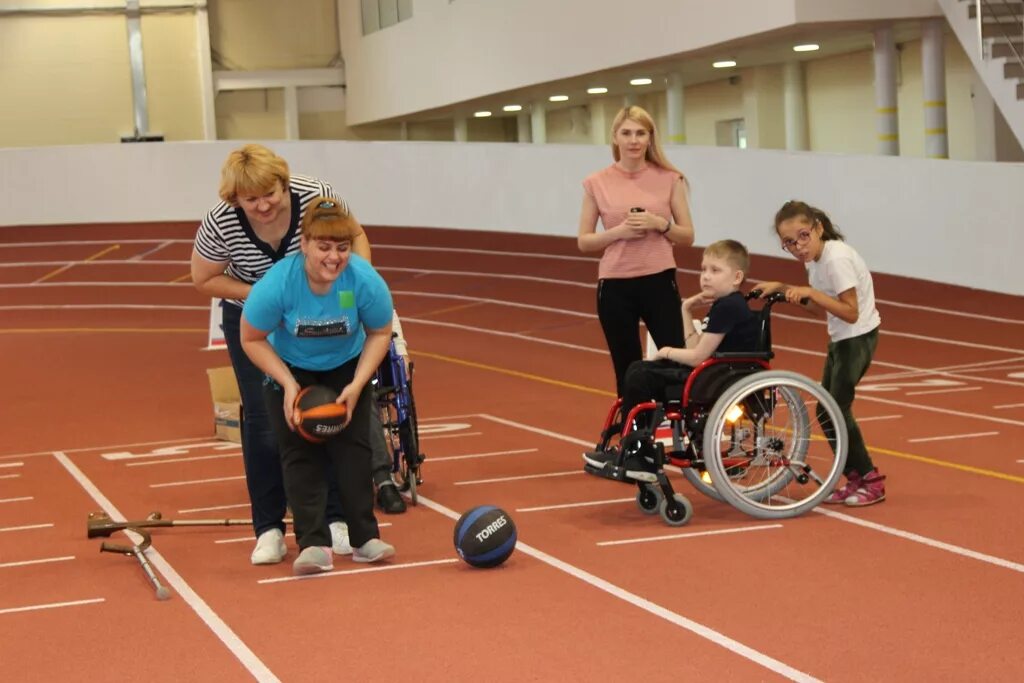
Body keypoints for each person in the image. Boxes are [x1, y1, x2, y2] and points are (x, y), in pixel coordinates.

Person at [190, 145, 403, 567]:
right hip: (259, 314)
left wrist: (352, 283)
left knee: (336, 418)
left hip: (325, 305)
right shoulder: (220, 222)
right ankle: (269, 528)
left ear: (285, 185)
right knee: (268, 424)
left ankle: (340, 523)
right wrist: (274, 300)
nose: (264, 205)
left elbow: (352, 235)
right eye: (251, 200)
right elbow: (203, 278)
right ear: (235, 201)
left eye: (271, 193)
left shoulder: (316, 195)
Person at [240, 198, 396, 574]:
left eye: (342, 248)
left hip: (345, 368)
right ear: (305, 244)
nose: (334, 257)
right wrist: (288, 385)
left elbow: (380, 331)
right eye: (324, 247)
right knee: (299, 454)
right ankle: (313, 545)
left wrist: (359, 383)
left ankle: (363, 538)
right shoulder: (278, 283)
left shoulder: (363, 282)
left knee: (354, 450)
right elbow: (251, 338)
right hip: (291, 369)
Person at [584, 240, 759, 480]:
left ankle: (639, 452)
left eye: (715, 271)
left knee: (641, 374)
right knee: (639, 370)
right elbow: (694, 346)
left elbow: (697, 357)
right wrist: (686, 309)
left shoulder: (728, 307)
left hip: (716, 380)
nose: (706, 277)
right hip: (715, 374)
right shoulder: (725, 305)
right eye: (704, 269)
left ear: (737, 276)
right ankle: (637, 448)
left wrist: (665, 351)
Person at [756, 200, 885, 507]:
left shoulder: (835, 259)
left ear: (818, 228)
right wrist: (785, 289)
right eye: (788, 243)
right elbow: (820, 310)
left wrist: (810, 292)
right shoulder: (815, 260)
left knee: (835, 408)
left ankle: (870, 479)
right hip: (842, 338)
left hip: (857, 338)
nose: (798, 246)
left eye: (803, 236)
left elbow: (851, 312)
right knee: (826, 410)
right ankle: (856, 476)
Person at [577, 105, 696, 399]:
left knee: (675, 361)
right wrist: (620, 233)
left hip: (658, 281)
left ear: (650, 138)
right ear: (615, 138)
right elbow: (584, 241)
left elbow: (688, 236)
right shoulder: (597, 182)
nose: (633, 140)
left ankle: (677, 430)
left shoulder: (670, 178)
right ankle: (635, 436)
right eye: (626, 133)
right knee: (626, 368)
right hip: (615, 285)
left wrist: (660, 225)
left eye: (640, 133)